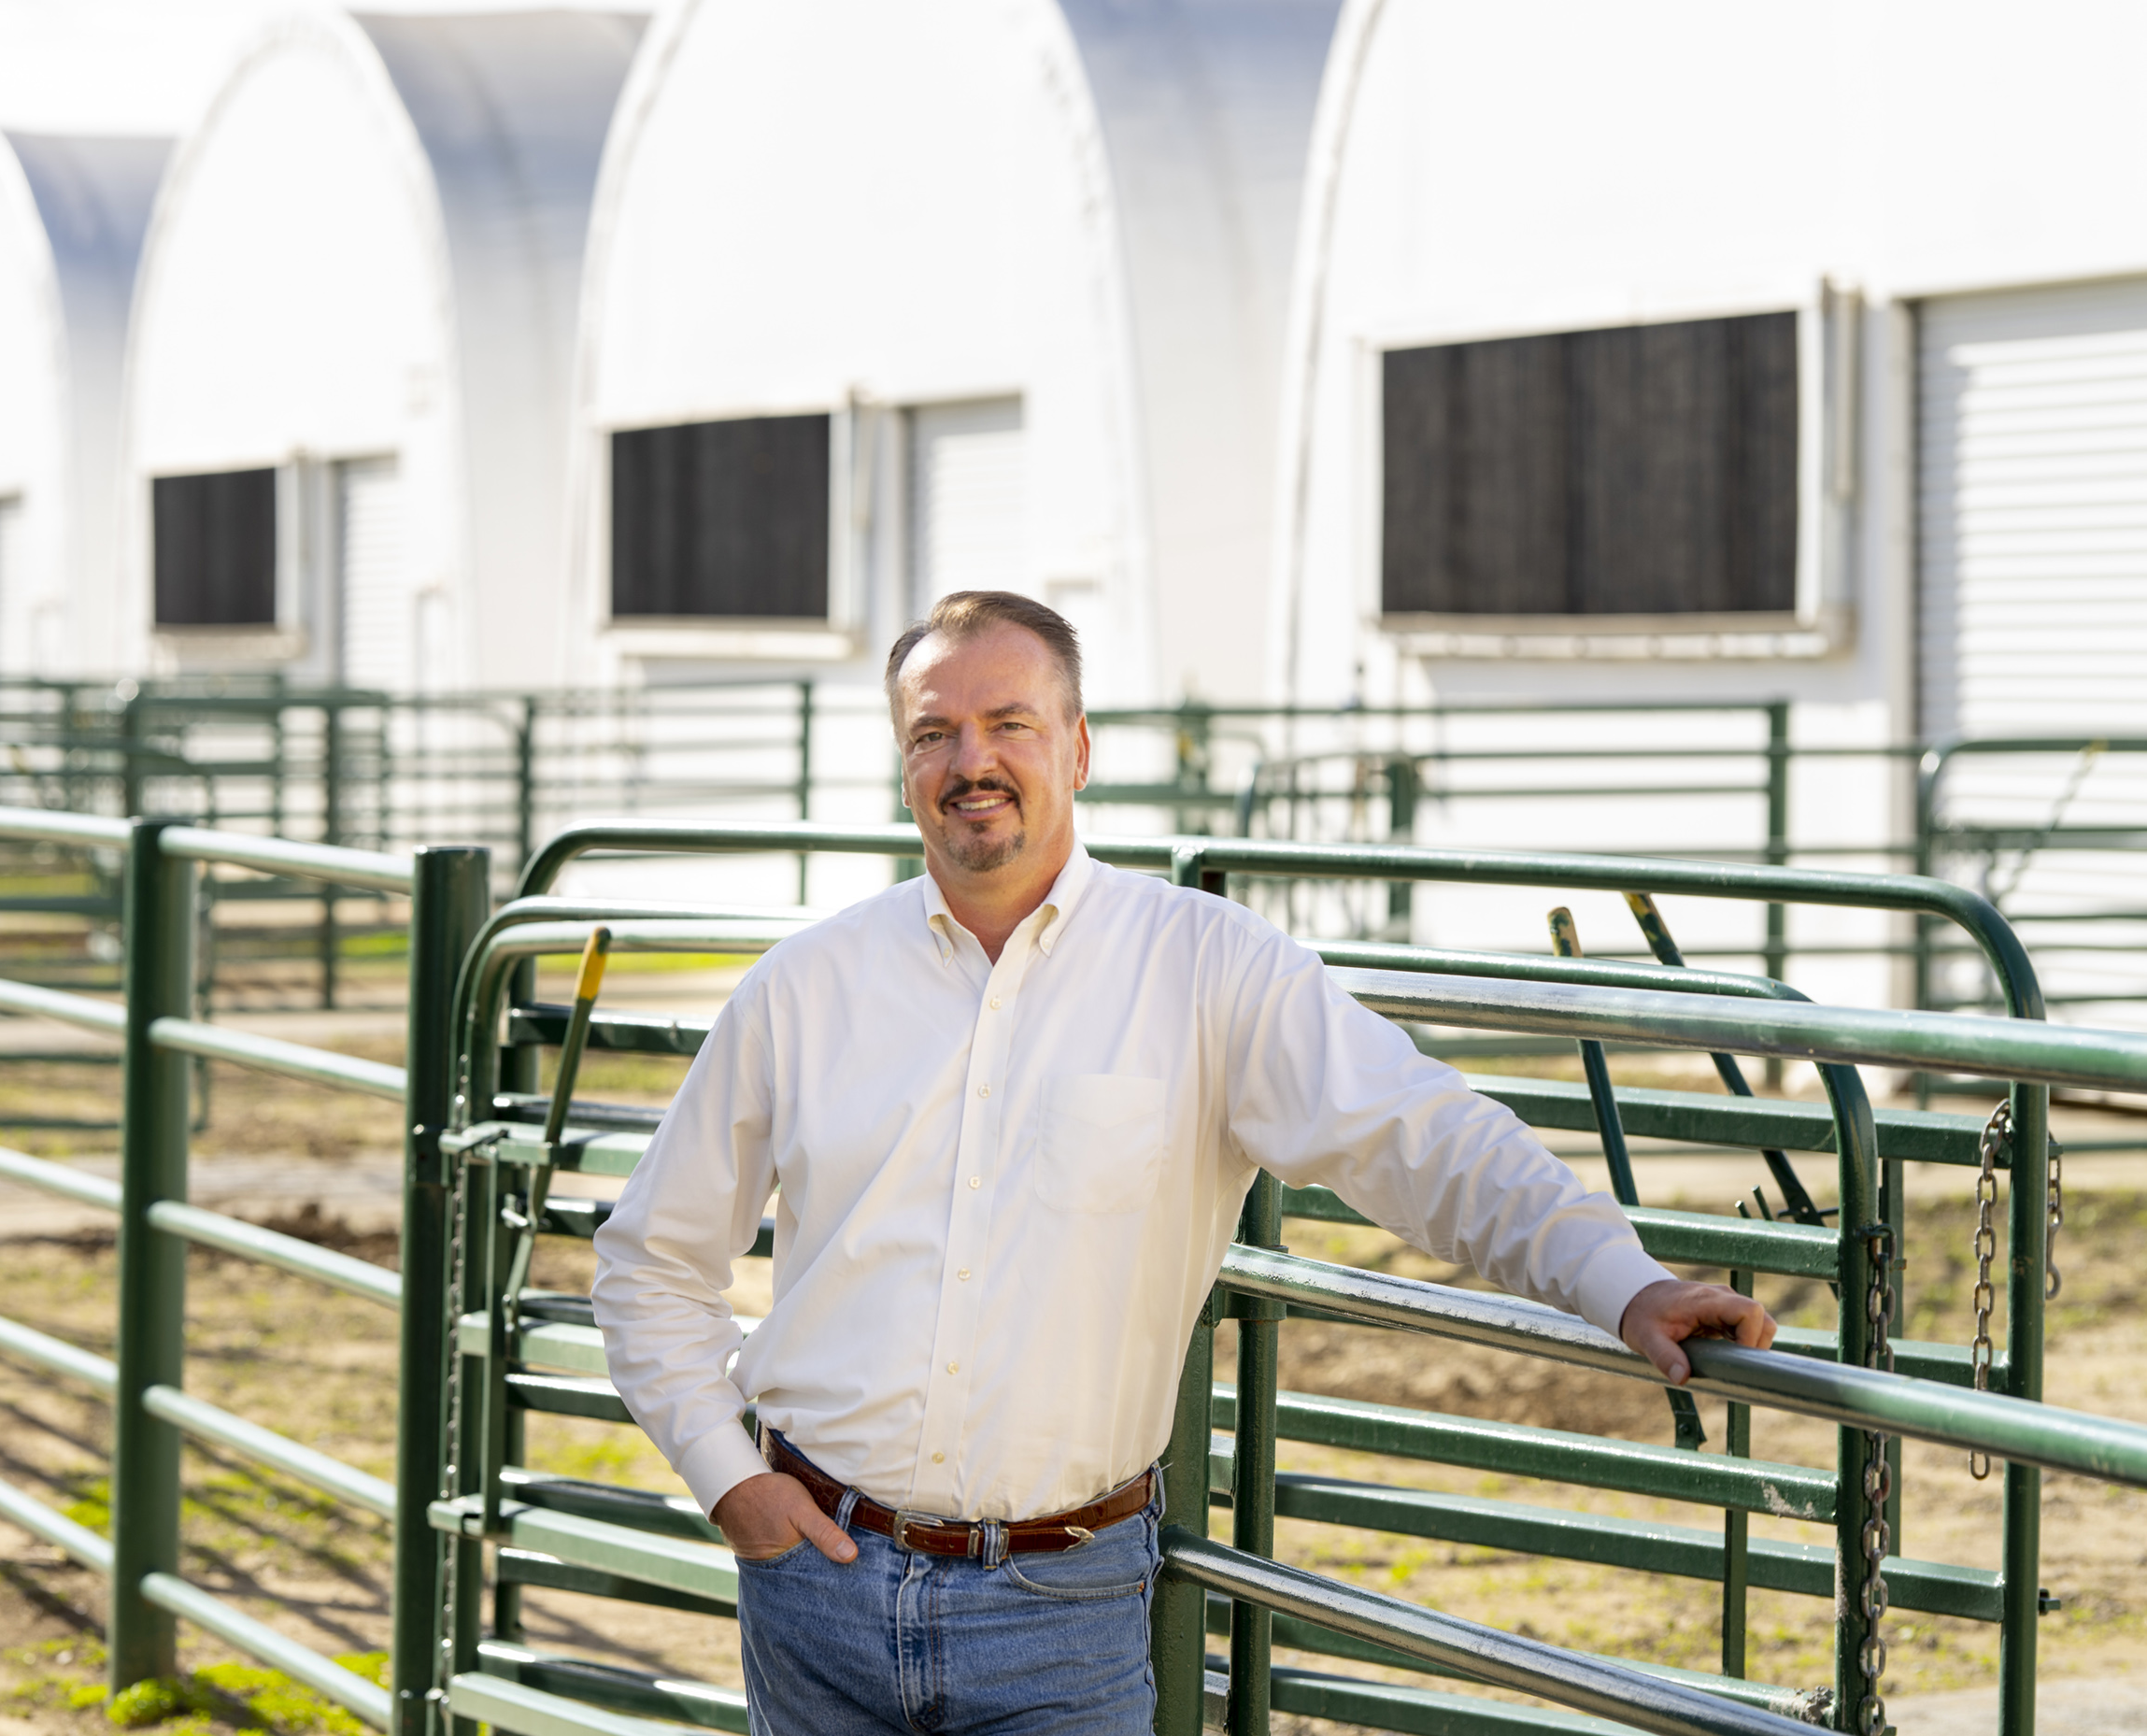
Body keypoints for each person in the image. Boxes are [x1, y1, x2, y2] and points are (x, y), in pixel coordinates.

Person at [588, 591, 1778, 1735]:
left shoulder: (1208, 971)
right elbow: (650, 1263)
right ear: (905, 765)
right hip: (819, 1594)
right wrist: (729, 1480)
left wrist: (1622, 1282)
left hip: (1061, 1613)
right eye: (934, 733)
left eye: (1011, 724)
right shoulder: (805, 988)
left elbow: (1422, 1136)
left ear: (1079, 749)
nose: (972, 762)